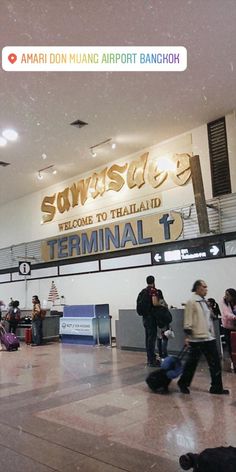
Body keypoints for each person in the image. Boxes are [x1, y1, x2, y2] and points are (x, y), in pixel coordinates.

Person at [177, 280, 229, 395]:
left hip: (209, 337)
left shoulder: (204, 302)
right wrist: (188, 336)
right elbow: (188, 320)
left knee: (215, 363)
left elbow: (210, 318)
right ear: (197, 288)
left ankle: (216, 387)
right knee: (192, 363)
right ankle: (183, 383)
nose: (206, 289)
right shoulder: (192, 301)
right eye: (204, 287)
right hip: (197, 338)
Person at [142, 275, 160, 367]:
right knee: (151, 339)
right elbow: (155, 303)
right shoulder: (153, 290)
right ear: (154, 281)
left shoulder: (143, 291)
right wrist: (161, 304)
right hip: (151, 318)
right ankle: (152, 360)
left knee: (148, 339)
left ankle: (149, 358)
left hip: (145, 318)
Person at [221, 288, 236, 371]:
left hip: (235, 327)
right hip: (227, 328)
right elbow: (226, 314)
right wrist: (234, 317)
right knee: (231, 347)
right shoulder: (223, 302)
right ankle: (234, 364)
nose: (226, 296)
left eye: (228, 295)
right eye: (225, 294)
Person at [156, 289, 170, 359]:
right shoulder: (163, 302)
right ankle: (165, 354)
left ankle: (160, 354)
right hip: (164, 323)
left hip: (158, 323)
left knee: (159, 339)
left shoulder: (155, 303)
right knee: (165, 339)